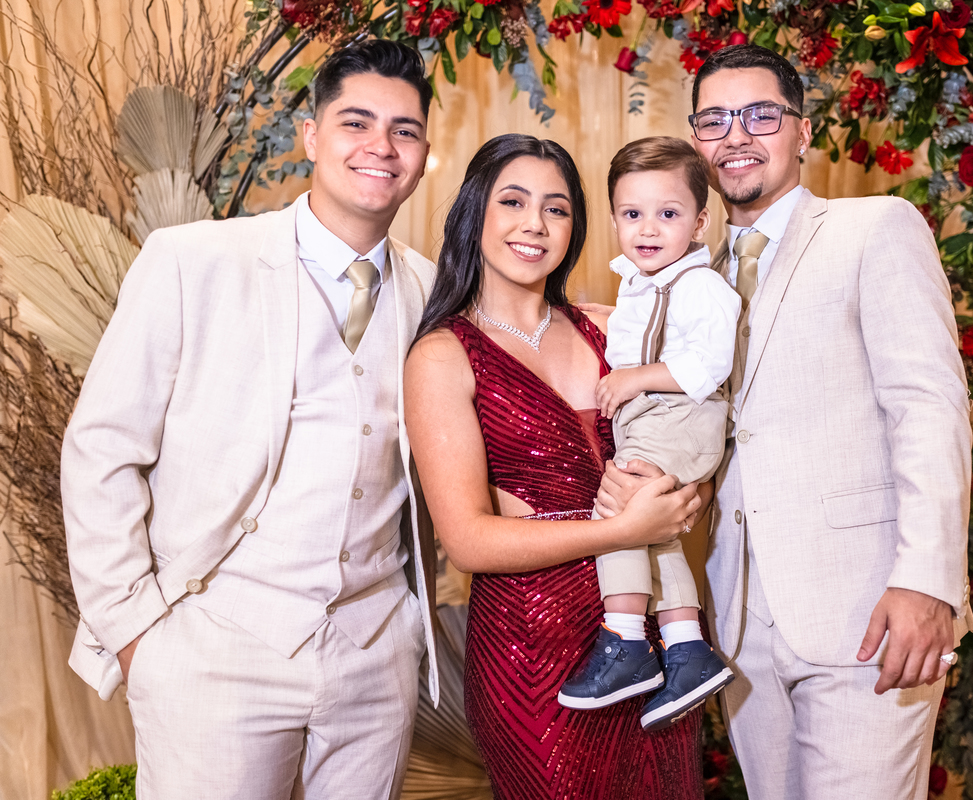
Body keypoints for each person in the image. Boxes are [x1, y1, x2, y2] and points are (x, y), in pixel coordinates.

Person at [61, 40, 439, 799]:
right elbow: (102, 447)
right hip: (213, 645)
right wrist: (135, 633)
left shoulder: (432, 290)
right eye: (356, 122)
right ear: (311, 136)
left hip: (375, 652)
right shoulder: (192, 260)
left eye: (404, 130)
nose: (381, 145)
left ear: (425, 155)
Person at [598, 44, 973, 798]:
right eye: (714, 119)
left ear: (803, 131)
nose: (735, 135)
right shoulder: (679, 271)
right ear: (696, 141)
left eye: (760, 115)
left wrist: (928, 582)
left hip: (868, 609)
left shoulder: (875, 228)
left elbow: (929, 409)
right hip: (739, 624)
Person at [405, 134, 707, 799]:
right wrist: (622, 530)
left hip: (656, 636)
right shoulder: (444, 355)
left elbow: (690, 444)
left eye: (557, 208)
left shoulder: (614, 332)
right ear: (475, 212)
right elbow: (468, 541)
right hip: (534, 651)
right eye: (513, 202)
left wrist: (686, 495)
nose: (535, 224)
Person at [557, 136, 740, 732]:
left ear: (700, 222)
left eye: (668, 213)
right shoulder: (641, 283)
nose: (649, 229)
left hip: (679, 416)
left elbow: (707, 364)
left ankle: (627, 639)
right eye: (632, 214)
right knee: (654, 532)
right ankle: (686, 647)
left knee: (617, 513)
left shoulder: (700, 285)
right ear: (614, 220)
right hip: (659, 420)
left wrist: (636, 376)